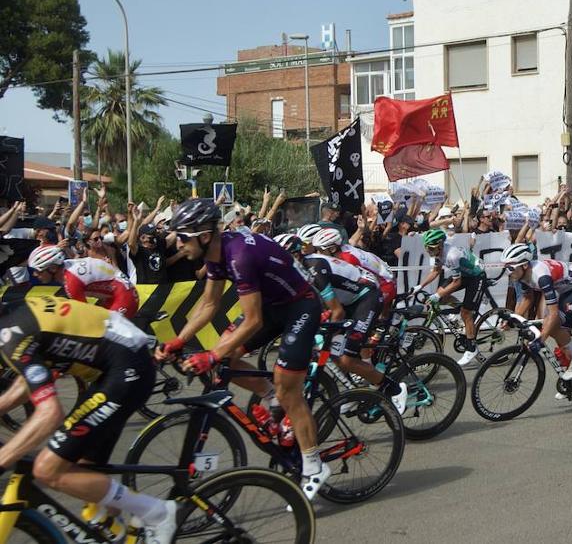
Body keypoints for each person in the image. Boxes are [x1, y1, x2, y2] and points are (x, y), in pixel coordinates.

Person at [154, 199, 328, 500]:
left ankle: (314, 464)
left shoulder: (239, 256)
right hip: (274, 306)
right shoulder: (216, 254)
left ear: (204, 235)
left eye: (182, 236)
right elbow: (208, 304)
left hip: (300, 306)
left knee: (288, 390)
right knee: (226, 357)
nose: (178, 244)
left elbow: (253, 320)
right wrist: (179, 341)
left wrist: (210, 354)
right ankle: (269, 395)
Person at [0, 296, 175, 543]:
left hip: (126, 371)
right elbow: (27, 382)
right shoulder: (14, 314)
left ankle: (156, 512)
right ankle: (125, 532)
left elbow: (50, 413)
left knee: (46, 469)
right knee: (82, 473)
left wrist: (4, 458)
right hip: (115, 367)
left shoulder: (10, 334)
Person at [306, 227, 407, 414]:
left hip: (380, 286)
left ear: (332, 248)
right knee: (338, 349)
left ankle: (382, 381)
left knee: (356, 347)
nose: (318, 253)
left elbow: (342, 301)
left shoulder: (346, 257)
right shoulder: (339, 252)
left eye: (321, 250)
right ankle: (357, 389)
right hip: (359, 293)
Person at [502, 242, 572, 383]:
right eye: (505, 267)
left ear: (525, 265)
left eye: (510, 267)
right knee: (562, 339)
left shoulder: (541, 277)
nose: (508, 272)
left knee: (553, 326)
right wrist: (513, 318)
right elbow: (527, 298)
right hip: (564, 291)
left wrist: (540, 340)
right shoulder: (520, 275)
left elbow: (553, 314)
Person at [418, 229, 489, 367]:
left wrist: (437, 295)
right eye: (427, 248)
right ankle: (459, 316)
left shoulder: (451, 255)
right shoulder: (438, 252)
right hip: (464, 274)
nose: (428, 251)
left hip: (476, 276)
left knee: (466, 313)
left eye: (431, 248)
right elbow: (436, 271)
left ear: (440, 244)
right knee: (441, 296)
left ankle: (471, 348)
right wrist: (419, 287)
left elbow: (457, 282)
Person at [26, 245, 139, 318]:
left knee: (102, 336)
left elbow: (84, 315)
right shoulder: (68, 267)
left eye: (38, 271)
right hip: (116, 294)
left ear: (52, 268)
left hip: (124, 297)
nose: (35, 274)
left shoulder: (71, 281)